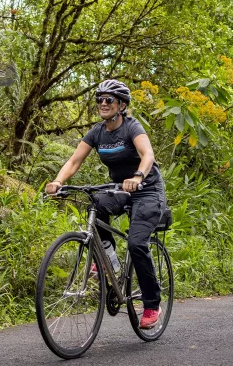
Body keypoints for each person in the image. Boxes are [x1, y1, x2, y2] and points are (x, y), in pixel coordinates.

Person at [45, 79, 166, 329]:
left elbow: (148, 155)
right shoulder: (97, 132)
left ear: (121, 104)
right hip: (119, 188)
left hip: (147, 189)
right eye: (99, 99)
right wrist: (58, 181)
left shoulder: (132, 127)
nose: (103, 103)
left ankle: (152, 304)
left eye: (108, 99)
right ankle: (107, 261)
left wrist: (138, 176)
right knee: (96, 205)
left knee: (136, 243)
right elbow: (74, 161)